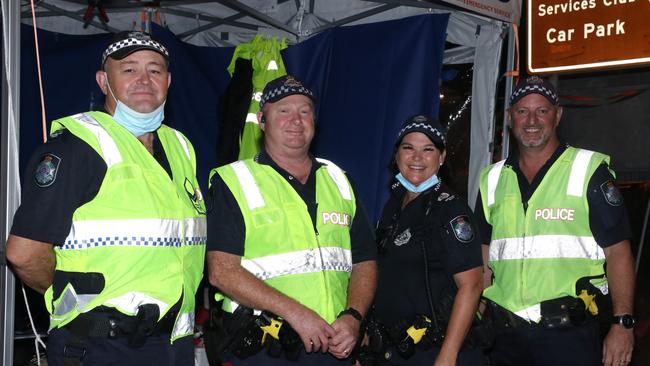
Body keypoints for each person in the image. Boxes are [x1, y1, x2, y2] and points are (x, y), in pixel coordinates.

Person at [5, 31, 206, 366]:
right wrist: (71, 298)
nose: (144, 80)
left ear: (168, 81)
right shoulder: (78, 147)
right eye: (128, 70)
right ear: (103, 81)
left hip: (173, 346)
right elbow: (24, 254)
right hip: (101, 347)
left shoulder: (181, 147)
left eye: (155, 70)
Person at [206, 75, 377, 365]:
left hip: (335, 346)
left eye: (305, 111)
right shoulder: (234, 180)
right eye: (283, 110)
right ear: (262, 120)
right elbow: (222, 272)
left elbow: (365, 261)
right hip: (267, 348)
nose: (296, 120)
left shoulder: (339, 179)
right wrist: (295, 313)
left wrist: (354, 316)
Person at [475, 76, 636, 366]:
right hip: (505, 336)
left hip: (567, 336)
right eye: (522, 111)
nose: (532, 120)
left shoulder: (587, 170)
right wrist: (472, 317)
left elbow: (618, 251)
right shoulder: (492, 179)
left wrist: (622, 323)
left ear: (557, 115)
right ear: (510, 118)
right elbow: (485, 257)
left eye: (542, 110)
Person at [365, 115, 483, 366]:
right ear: (397, 155)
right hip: (394, 350)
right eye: (409, 148)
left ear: (441, 158)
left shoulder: (450, 210)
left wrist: (447, 356)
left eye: (428, 149)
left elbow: (471, 286)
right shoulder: (393, 206)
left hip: (433, 351)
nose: (417, 157)